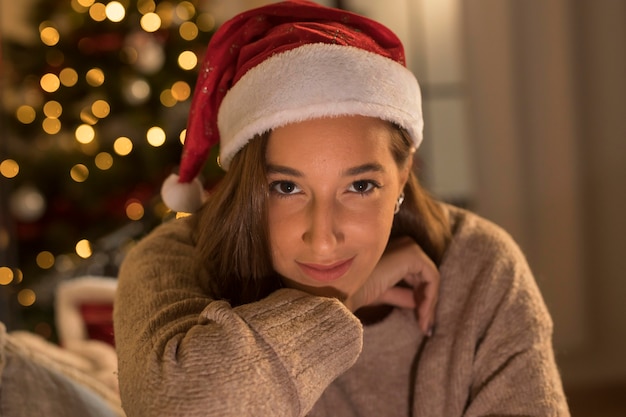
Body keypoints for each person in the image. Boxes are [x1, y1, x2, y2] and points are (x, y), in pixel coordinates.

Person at [113, 1, 570, 416]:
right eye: (286, 187)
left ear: (403, 174)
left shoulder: (480, 266)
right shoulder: (171, 260)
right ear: (247, 181)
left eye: (361, 185)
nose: (324, 237)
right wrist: (343, 301)